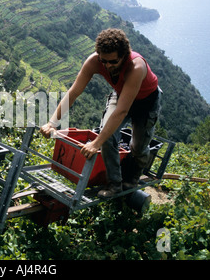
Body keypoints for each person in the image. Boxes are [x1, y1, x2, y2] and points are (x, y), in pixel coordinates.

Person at [40, 28, 162, 198]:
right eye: (103, 61)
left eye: (113, 61)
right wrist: (52, 122)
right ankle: (114, 185)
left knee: (138, 147)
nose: (107, 65)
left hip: (146, 103)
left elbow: (122, 111)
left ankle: (132, 179)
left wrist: (95, 143)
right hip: (121, 95)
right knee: (107, 133)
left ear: (124, 55)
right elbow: (73, 92)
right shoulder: (94, 61)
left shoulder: (136, 67)